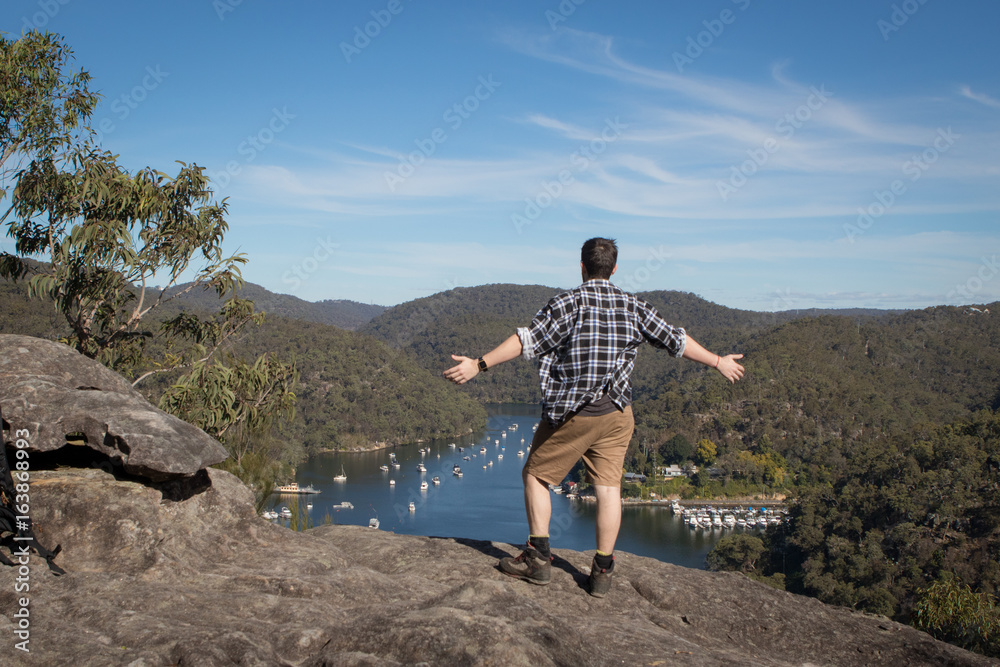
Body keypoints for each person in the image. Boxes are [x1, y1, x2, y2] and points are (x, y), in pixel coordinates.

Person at [443, 237, 744, 597]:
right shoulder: (634, 306)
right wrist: (718, 361)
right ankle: (602, 571)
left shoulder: (567, 303)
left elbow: (525, 341)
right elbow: (676, 341)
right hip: (617, 413)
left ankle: (538, 560)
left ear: (582, 266)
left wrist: (478, 365)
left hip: (573, 414)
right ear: (614, 268)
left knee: (536, 476)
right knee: (608, 488)